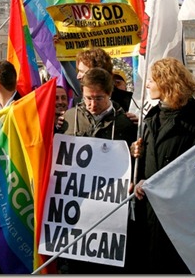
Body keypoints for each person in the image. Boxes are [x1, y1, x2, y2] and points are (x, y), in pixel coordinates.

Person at [132, 58, 195, 274]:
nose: (147, 85)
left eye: (151, 80)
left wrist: (157, 184)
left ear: (166, 82)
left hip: (178, 216)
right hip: (148, 211)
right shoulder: (152, 117)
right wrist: (137, 155)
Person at [56, 67, 138, 274]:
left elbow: (133, 164)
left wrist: (134, 154)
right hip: (76, 204)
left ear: (109, 94)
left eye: (99, 98)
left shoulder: (126, 123)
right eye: (88, 98)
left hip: (109, 207)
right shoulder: (69, 118)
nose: (92, 104)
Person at [75, 48, 133, 113]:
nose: (78, 77)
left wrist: (137, 120)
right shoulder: (76, 102)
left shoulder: (130, 102)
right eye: (89, 98)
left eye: (82, 72)